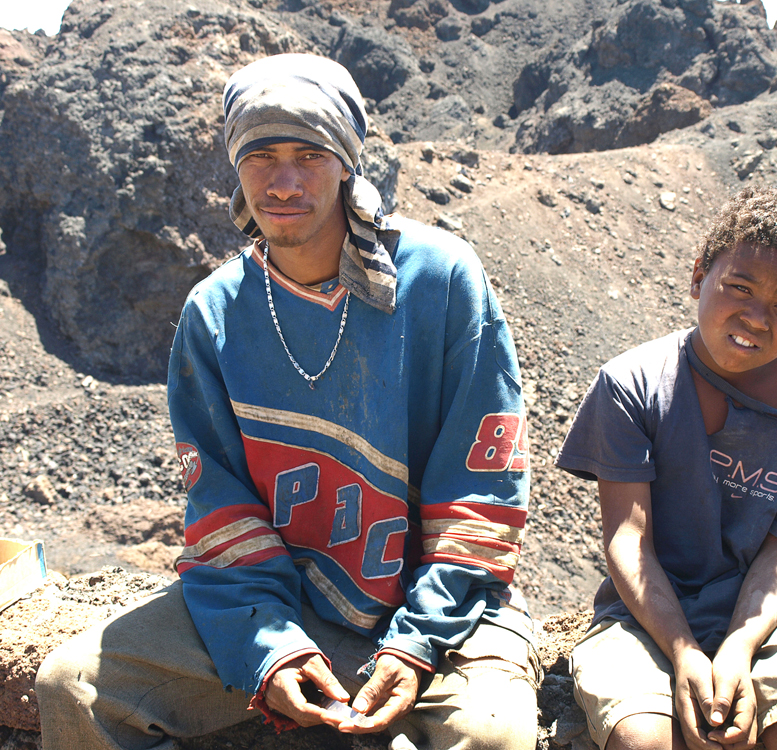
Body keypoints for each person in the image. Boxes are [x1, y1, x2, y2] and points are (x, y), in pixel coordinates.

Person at [36, 53, 538, 750]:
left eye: (309, 154)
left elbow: (482, 491)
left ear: (346, 164)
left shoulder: (442, 280)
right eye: (261, 156)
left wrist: (415, 643)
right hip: (278, 602)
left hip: (442, 612)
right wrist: (269, 645)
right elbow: (220, 505)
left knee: (492, 736)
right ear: (236, 167)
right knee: (74, 686)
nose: (284, 180)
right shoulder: (213, 313)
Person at [556, 186, 777, 750]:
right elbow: (628, 540)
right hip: (655, 605)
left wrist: (738, 649)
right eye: (739, 287)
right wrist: (682, 652)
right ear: (700, 273)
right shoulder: (633, 385)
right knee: (642, 738)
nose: (755, 318)